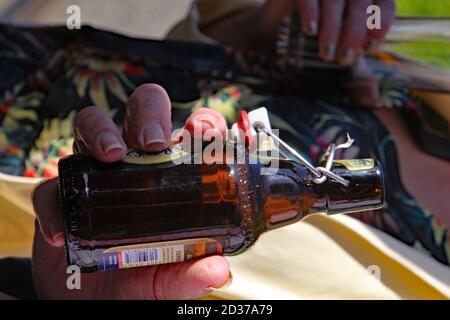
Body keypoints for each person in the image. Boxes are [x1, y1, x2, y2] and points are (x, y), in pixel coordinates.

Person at [2, 0, 449, 299]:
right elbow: (216, 35)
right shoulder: (431, 91)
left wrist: (59, 291)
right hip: (41, 58)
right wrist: (274, 25)